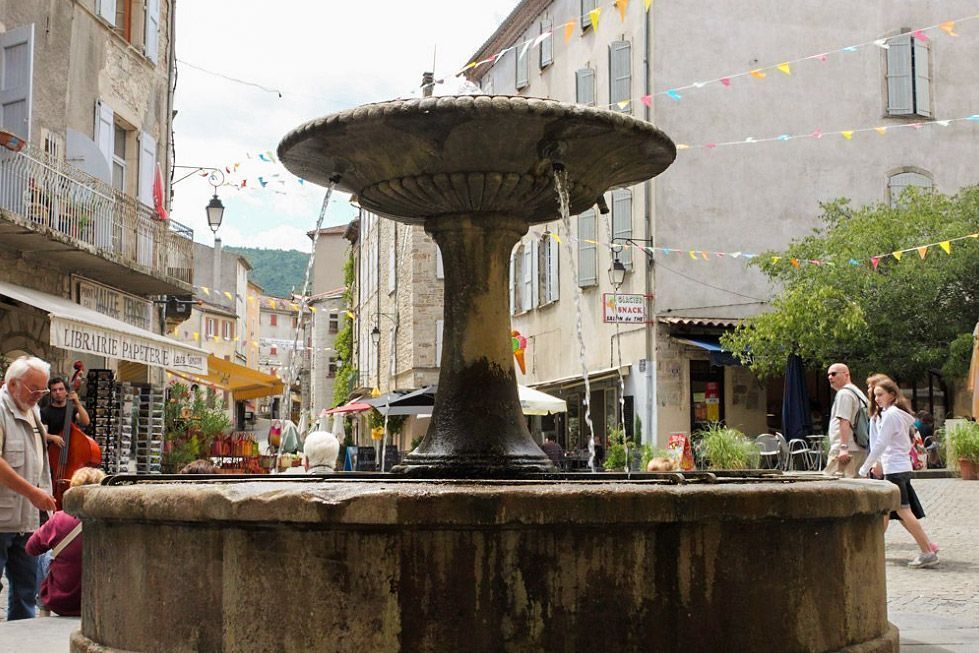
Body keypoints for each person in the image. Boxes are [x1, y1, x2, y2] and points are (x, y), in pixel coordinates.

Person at [0, 355, 58, 620]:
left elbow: (40, 461)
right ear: (13, 384)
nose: (39, 396)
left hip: (27, 520)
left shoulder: (32, 410)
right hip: (2, 518)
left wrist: (44, 493)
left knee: (26, 590)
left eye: (42, 390)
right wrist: (33, 493)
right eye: (34, 389)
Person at [858, 379, 939, 568]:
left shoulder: (891, 415)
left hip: (894, 469)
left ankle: (927, 551)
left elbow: (881, 444)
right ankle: (873, 548)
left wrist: (864, 468)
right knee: (888, 511)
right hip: (897, 467)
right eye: (875, 395)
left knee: (903, 511)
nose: (876, 398)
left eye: (880, 394)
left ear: (892, 395)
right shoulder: (894, 414)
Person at [26, 467, 105, 617]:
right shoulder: (109, 521)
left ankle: (43, 608)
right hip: (98, 602)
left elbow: (31, 548)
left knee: (47, 554)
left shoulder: (60, 518)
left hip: (60, 602)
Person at [823, 363, 868, 478]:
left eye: (833, 374)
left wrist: (843, 448)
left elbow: (844, 421)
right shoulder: (858, 392)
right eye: (828, 375)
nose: (830, 377)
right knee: (857, 488)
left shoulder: (844, 394)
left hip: (846, 450)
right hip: (859, 447)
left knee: (833, 488)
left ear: (846, 374)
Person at [39, 376, 91, 448]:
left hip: (72, 448)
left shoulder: (73, 409)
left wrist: (78, 403)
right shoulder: (45, 412)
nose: (58, 392)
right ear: (51, 393)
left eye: (61, 389)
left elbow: (86, 421)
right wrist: (53, 437)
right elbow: (43, 433)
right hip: (53, 450)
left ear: (66, 391)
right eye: (54, 390)